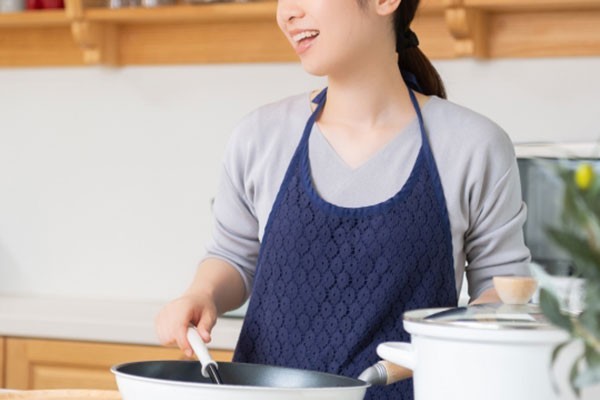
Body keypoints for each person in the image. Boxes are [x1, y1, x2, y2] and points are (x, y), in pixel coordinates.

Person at [155, 0, 531, 398]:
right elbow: (232, 257)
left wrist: (460, 336)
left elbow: (502, 289)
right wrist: (201, 294)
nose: (287, 13)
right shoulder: (260, 137)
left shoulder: (472, 145)